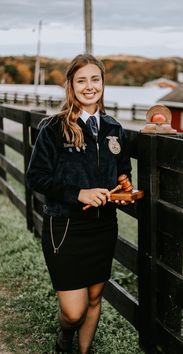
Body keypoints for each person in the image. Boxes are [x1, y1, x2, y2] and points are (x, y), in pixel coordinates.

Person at [26, 54, 132, 353]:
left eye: (95, 79)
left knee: (95, 298)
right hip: (66, 227)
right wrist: (79, 193)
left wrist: (124, 184)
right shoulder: (54, 128)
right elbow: (36, 177)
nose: (89, 87)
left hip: (103, 227)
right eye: (81, 80)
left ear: (103, 83)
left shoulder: (114, 129)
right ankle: (65, 337)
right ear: (71, 85)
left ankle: (83, 352)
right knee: (73, 312)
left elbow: (122, 168)